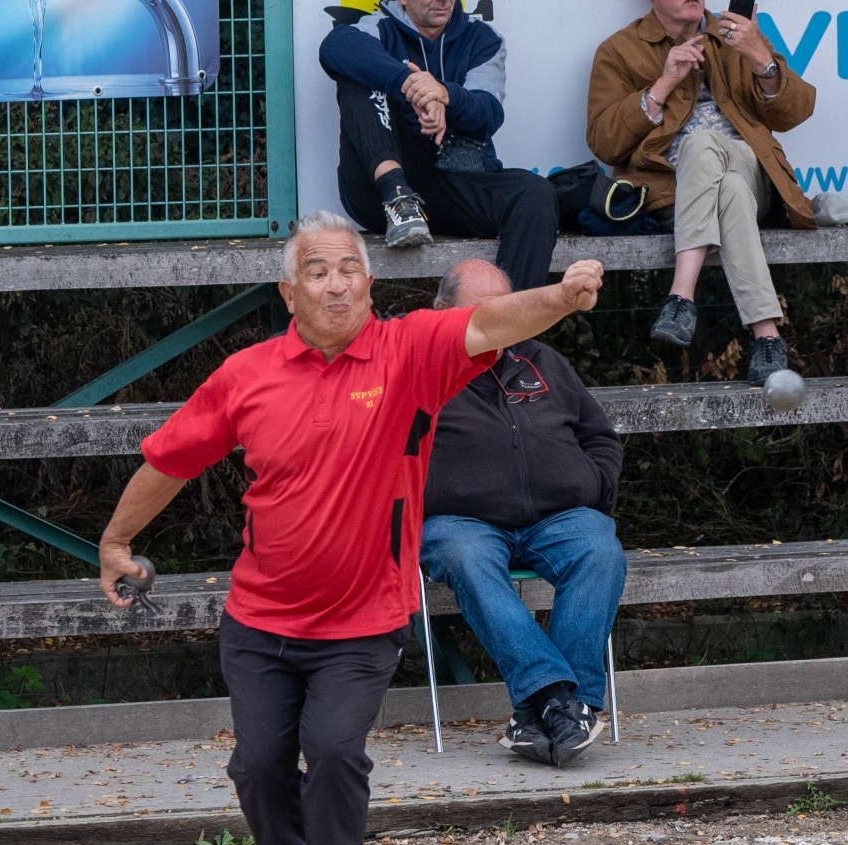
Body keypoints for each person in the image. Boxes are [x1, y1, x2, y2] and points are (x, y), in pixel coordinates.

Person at [98, 211, 604, 845]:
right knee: (260, 763)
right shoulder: (247, 375)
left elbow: (492, 320)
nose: (336, 285)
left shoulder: (411, 352)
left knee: (335, 750)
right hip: (261, 616)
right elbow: (170, 459)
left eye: (347, 270)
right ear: (289, 291)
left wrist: (561, 296)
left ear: (369, 282)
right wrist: (115, 540)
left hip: (364, 618)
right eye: (317, 271)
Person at [421, 259, 625, 768]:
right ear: (441, 312)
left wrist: (593, 484)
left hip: (558, 517)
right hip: (460, 521)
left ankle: (546, 712)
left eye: (503, 310)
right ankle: (561, 700)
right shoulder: (417, 371)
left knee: (600, 547)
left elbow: (599, 437)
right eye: (477, 312)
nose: (492, 323)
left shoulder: (544, 360)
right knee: (464, 555)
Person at [587, 0, 816, 386]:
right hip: (673, 189)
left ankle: (681, 297)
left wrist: (762, 57)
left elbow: (795, 112)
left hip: (751, 167)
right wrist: (662, 84)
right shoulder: (619, 49)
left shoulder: (737, 35)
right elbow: (604, 142)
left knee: (702, 144)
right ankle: (768, 338)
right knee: (730, 190)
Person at [318, 0, 560, 291]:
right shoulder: (379, 26)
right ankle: (398, 198)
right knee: (357, 73)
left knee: (536, 193)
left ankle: (510, 327)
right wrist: (412, 86)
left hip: (451, 179)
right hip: (382, 193)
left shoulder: (483, 38)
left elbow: (488, 111)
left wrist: (445, 95)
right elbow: (335, 46)